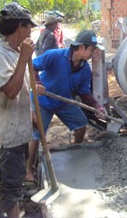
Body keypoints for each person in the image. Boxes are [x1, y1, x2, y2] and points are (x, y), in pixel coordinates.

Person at [25, 30, 106, 184]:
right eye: (91, 48)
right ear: (81, 47)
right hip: (43, 100)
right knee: (36, 135)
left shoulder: (84, 69)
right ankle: (28, 170)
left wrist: (97, 107)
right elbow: (33, 66)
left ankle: (76, 153)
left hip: (63, 102)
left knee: (81, 124)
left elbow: (84, 93)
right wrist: (37, 83)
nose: (93, 52)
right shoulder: (55, 55)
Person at [0, 2, 37, 217]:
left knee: (16, 181)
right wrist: (24, 58)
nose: (31, 31)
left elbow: (21, 86)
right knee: (11, 188)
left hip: (20, 130)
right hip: (8, 134)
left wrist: (37, 93)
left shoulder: (15, 53)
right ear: (21, 27)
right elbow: (10, 91)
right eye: (29, 27)